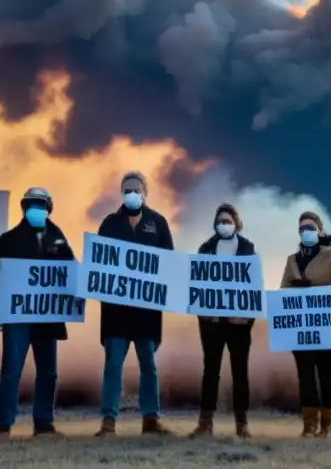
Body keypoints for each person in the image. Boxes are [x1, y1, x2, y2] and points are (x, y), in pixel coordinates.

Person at [0, 187, 75, 438]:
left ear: (49, 209)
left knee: (48, 371)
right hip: (18, 319)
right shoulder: (7, 240)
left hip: (47, 319)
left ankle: (44, 424)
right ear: (23, 208)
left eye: (40, 205)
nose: (35, 209)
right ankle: (3, 425)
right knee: (12, 370)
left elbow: (71, 273)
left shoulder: (59, 239)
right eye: (31, 205)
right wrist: (7, 298)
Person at [94, 171, 175, 437]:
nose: (131, 194)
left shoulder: (158, 223)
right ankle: (108, 420)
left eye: (136, 190)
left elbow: (168, 264)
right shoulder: (109, 223)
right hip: (116, 313)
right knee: (113, 366)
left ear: (145, 192)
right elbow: (99, 263)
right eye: (127, 190)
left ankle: (151, 420)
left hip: (146, 314)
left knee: (148, 367)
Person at [190, 203, 256, 439]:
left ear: (236, 223)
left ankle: (242, 424)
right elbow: (196, 285)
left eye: (227, 221)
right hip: (212, 323)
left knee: (240, 372)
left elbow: (254, 288)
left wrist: (246, 318)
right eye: (220, 221)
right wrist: (203, 314)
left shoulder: (248, 249)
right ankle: (205, 423)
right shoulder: (205, 248)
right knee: (210, 372)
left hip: (239, 323)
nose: (223, 225)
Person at [279, 211, 331, 438]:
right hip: (300, 328)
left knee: (325, 375)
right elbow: (282, 294)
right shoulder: (292, 259)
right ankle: (309, 425)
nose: (305, 232)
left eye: (309, 227)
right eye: (301, 229)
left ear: (319, 229)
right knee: (305, 375)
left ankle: (327, 426)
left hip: (326, 327)